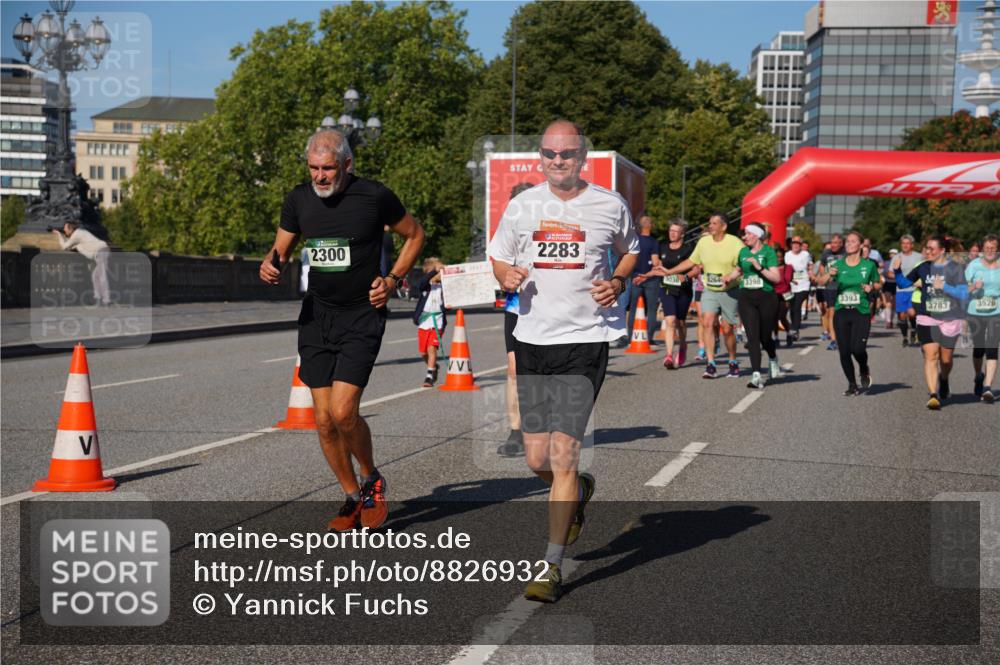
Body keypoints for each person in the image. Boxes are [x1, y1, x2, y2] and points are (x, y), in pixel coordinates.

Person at [489, 119, 638, 603]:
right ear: (540, 158)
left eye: (567, 154)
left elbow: (630, 253)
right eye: (550, 154)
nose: (558, 162)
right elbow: (498, 256)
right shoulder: (523, 206)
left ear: (582, 158)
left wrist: (616, 283)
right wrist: (506, 273)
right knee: (537, 459)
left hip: (583, 339)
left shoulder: (609, 206)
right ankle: (577, 492)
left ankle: (551, 567)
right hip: (532, 338)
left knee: (564, 454)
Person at [260, 129, 424, 530]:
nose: (320, 176)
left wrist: (392, 280)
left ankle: (371, 478)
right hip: (317, 316)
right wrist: (270, 264)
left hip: (361, 314)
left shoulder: (374, 196)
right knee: (321, 420)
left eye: (328, 168)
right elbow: (280, 248)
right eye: (313, 168)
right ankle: (351, 496)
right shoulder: (299, 199)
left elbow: (415, 235)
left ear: (347, 165)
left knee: (343, 411)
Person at [660, 213, 743, 378]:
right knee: (707, 322)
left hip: (729, 290)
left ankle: (732, 359)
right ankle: (710, 363)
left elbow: (742, 264)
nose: (710, 226)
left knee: (727, 329)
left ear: (723, 226)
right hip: (710, 290)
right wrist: (670, 271)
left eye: (714, 223)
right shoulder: (703, 242)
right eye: (710, 223)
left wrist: (732, 276)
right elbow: (691, 262)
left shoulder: (735, 243)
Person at [893, 235, 968, 410]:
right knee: (930, 354)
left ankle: (944, 379)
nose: (928, 251)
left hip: (950, 316)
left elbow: (964, 294)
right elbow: (904, 284)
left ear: (942, 250)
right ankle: (933, 395)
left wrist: (945, 287)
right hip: (927, 315)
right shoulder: (922, 267)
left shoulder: (955, 268)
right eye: (926, 248)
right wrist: (897, 272)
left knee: (946, 359)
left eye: (932, 248)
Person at [497, 182, 537, 458]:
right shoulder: (504, 232)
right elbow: (493, 265)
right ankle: (516, 431)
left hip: (546, 308)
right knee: (513, 368)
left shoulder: (548, 230)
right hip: (515, 307)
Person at [818, 230, 880, 396]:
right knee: (844, 351)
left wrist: (871, 287)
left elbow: (878, 283)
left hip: (861, 311)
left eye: (853, 241)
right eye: (848, 242)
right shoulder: (838, 265)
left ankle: (863, 368)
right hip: (841, 311)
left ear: (861, 245)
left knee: (858, 349)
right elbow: (820, 281)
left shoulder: (869, 265)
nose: (849, 244)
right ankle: (852, 384)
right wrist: (827, 275)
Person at [636, 218, 695, 368]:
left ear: (682, 234)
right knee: (670, 321)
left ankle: (682, 346)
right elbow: (658, 268)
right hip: (667, 288)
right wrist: (646, 276)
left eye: (676, 231)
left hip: (684, 290)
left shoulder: (689, 248)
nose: (672, 234)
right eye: (671, 231)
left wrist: (686, 276)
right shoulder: (662, 247)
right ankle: (669, 355)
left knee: (680, 323)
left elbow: (696, 268)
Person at [733, 225, 781, 389]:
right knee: (752, 336)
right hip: (746, 296)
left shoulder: (768, 252)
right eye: (744, 234)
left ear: (757, 236)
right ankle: (756, 375)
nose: (745, 237)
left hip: (766, 297)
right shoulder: (743, 252)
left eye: (748, 234)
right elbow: (739, 269)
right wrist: (728, 277)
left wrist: (760, 267)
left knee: (764, 337)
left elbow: (776, 278)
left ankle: (773, 357)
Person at [966, 234, 1000, 403]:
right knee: (979, 349)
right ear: (982, 249)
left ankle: (987, 387)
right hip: (976, 310)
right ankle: (979, 375)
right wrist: (973, 286)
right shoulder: (973, 265)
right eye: (987, 248)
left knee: (992, 348)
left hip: (996, 311)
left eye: (993, 247)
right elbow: (963, 288)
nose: (990, 251)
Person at [52, 222, 112, 306]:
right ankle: (98, 298)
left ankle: (106, 300)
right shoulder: (78, 236)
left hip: (101, 252)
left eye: (65, 228)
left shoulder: (77, 234)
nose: (64, 230)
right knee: (95, 275)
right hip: (101, 252)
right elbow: (69, 246)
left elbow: (65, 246)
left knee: (102, 275)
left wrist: (59, 235)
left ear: (70, 229)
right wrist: (62, 235)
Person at [627, 214, 662, 345]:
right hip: (650, 279)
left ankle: (631, 336)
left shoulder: (634, 240)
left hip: (636, 278)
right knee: (651, 309)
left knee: (634, 308)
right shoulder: (653, 242)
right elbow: (655, 262)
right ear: (648, 226)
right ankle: (649, 337)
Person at [413, 257, 446, 387]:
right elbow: (422, 282)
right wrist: (433, 272)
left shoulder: (443, 286)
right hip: (424, 321)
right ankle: (434, 367)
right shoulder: (426, 287)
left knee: (432, 348)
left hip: (437, 321)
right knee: (423, 352)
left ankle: (429, 376)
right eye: (433, 271)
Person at [815, 234, 846, 350]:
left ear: (841, 243)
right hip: (831, 287)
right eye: (832, 242)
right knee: (832, 314)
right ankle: (834, 340)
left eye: (836, 243)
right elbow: (822, 265)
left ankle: (845, 338)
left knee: (844, 314)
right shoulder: (826, 253)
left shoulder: (846, 253)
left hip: (844, 288)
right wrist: (825, 276)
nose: (833, 245)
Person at [895, 235, 922, 347]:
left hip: (914, 290)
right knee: (901, 315)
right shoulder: (897, 257)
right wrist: (896, 274)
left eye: (907, 243)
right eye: (903, 243)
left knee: (912, 313)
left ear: (912, 245)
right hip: (901, 290)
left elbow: (924, 271)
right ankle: (905, 336)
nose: (905, 245)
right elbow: (891, 272)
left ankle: (914, 329)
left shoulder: (919, 257)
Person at [784, 236, 812, 344]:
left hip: (803, 285)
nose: (796, 245)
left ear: (801, 245)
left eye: (798, 243)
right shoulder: (787, 255)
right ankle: (794, 329)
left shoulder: (805, 254)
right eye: (794, 243)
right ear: (791, 244)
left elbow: (810, 265)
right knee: (792, 307)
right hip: (790, 285)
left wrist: (811, 274)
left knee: (797, 306)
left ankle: (794, 329)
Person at [773, 245, 794, 346]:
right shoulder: (770, 268)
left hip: (785, 295)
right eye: (777, 257)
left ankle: (789, 334)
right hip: (773, 294)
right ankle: (776, 337)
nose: (779, 259)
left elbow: (788, 279)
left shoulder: (788, 267)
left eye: (781, 257)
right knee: (774, 317)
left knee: (782, 316)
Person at [880, 248, 898, 330]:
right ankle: (888, 321)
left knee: (894, 303)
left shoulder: (899, 262)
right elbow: (882, 272)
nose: (892, 255)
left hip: (897, 284)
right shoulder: (886, 263)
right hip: (887, 283)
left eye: (894, 253)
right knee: (888, 303)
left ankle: (891, 320)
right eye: (891, 253)